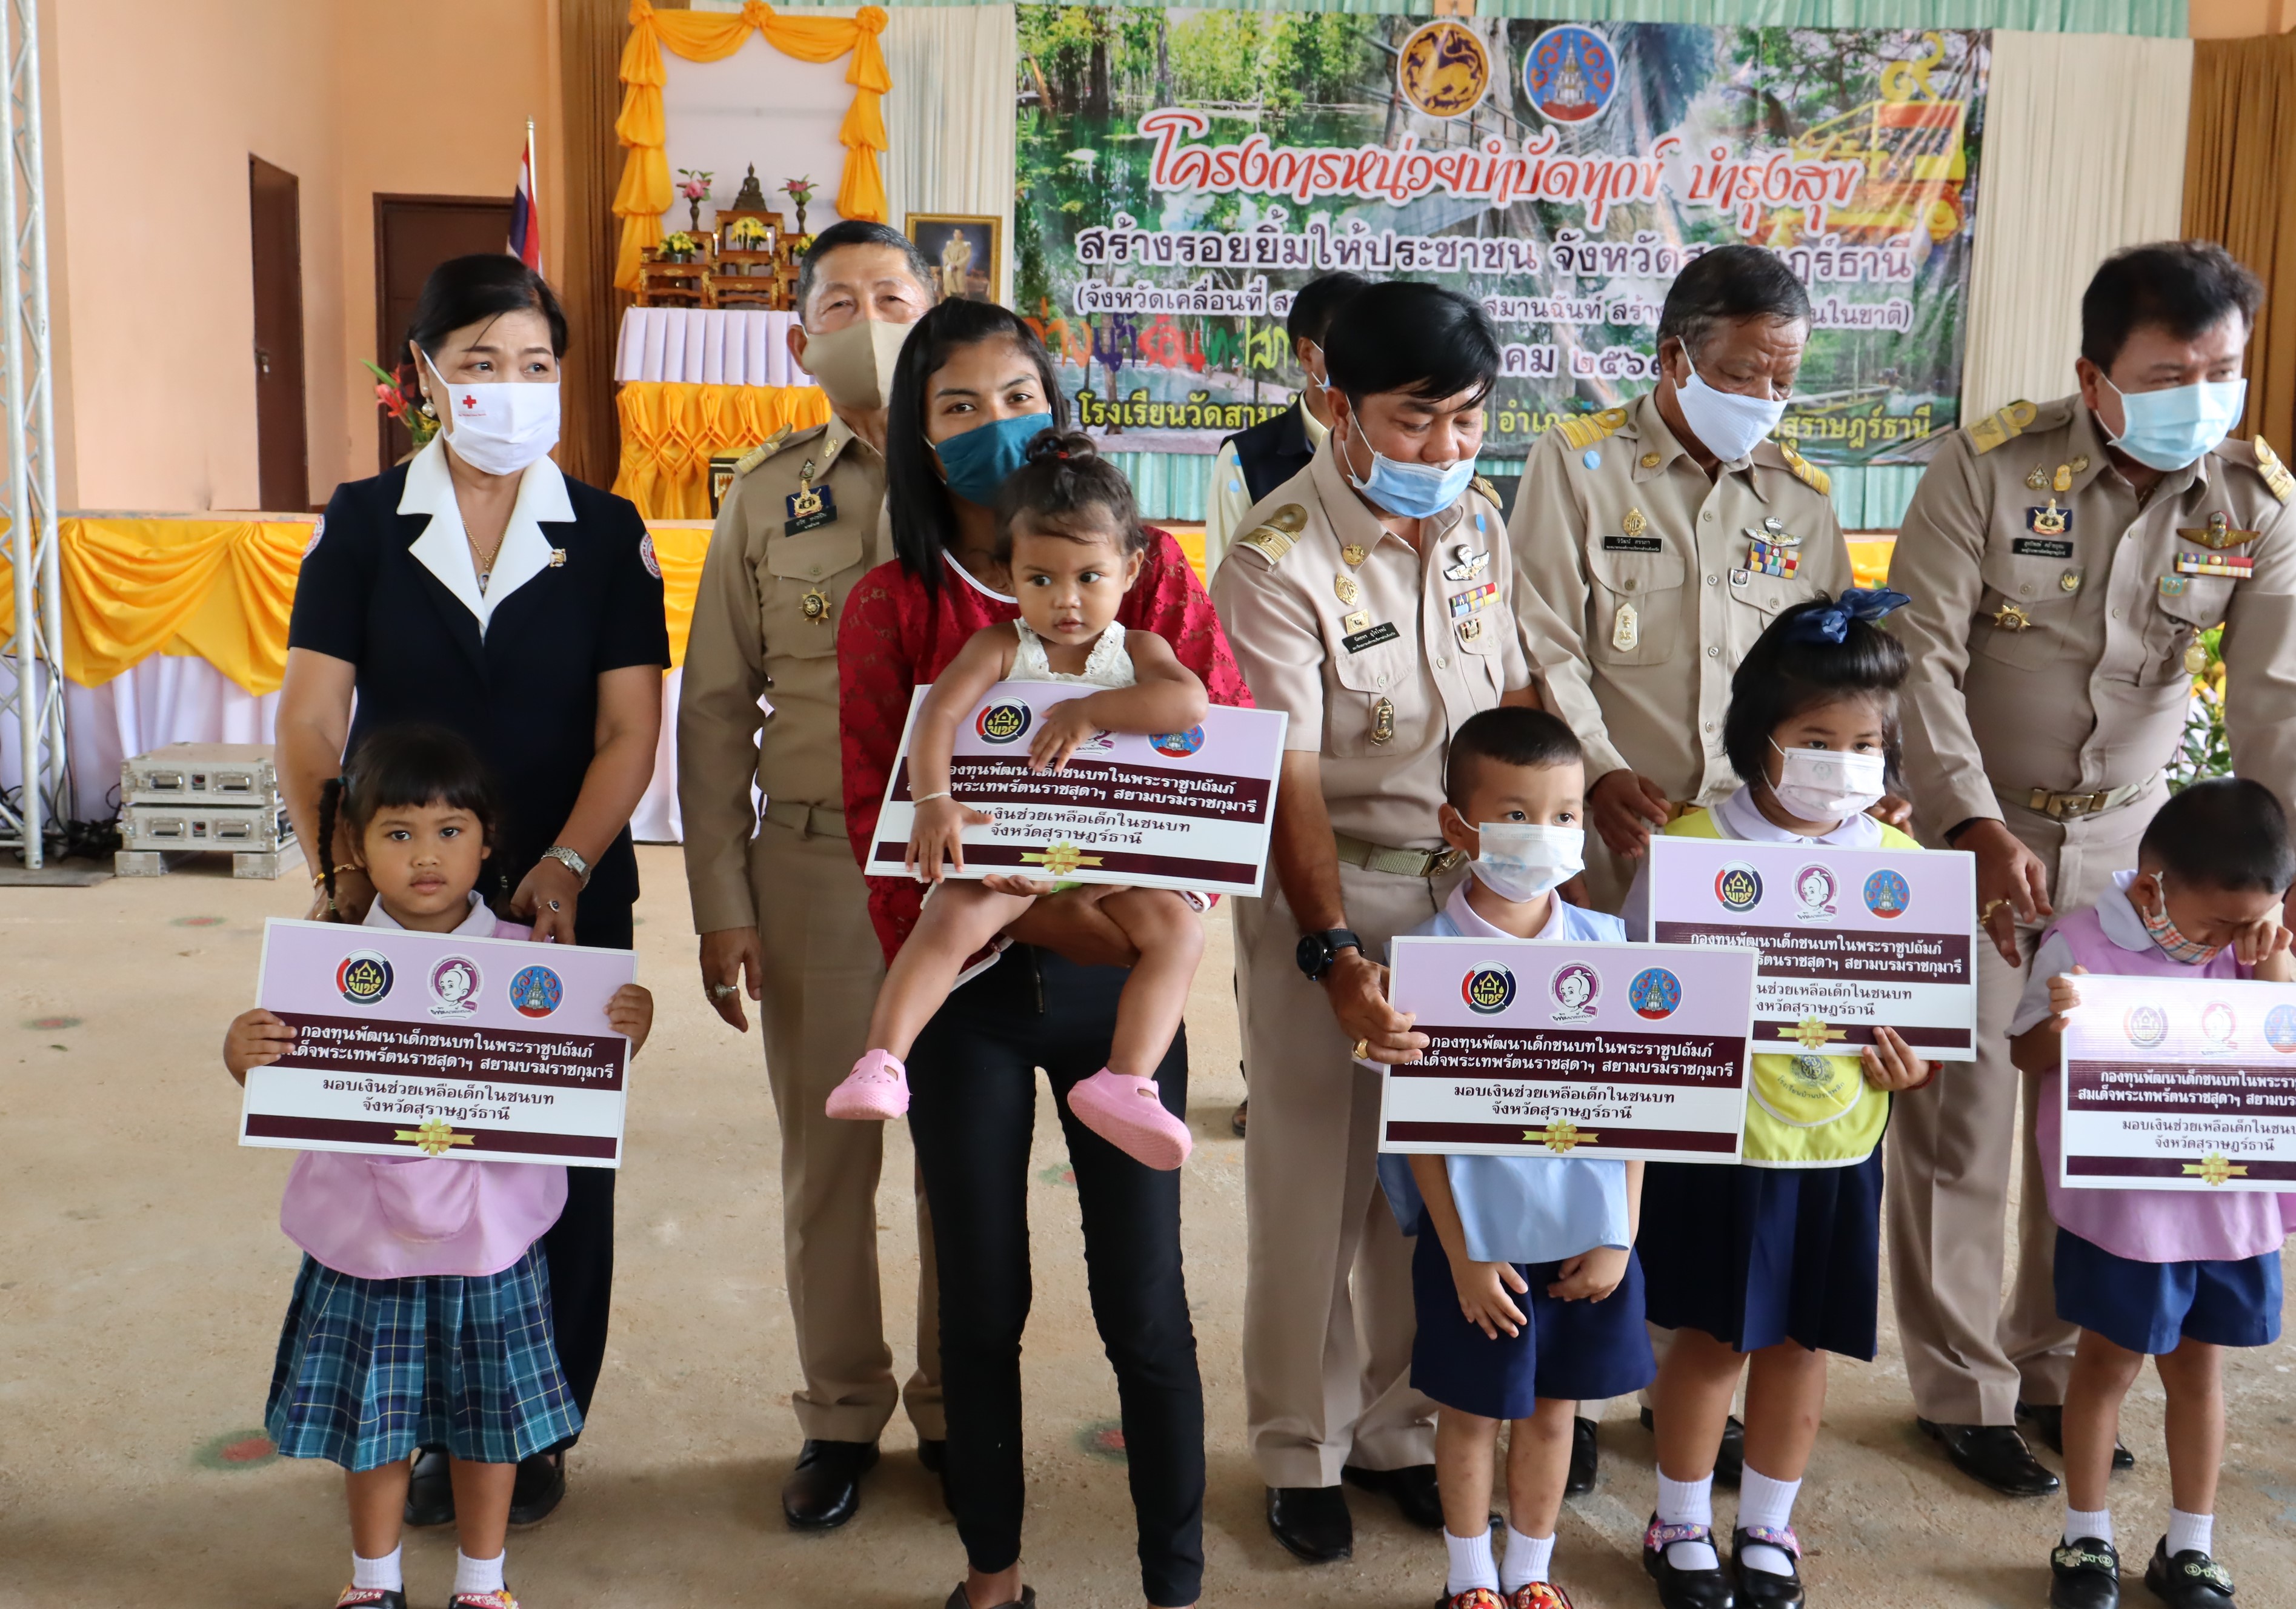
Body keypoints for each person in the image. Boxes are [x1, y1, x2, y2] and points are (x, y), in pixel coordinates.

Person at [840, 297, 1249, 1609]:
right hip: (964, 986)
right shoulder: (898, 604)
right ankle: (993, 1571)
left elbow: (1219, 747)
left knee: (1143, 1298)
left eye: (1017, 394)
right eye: (956, 403)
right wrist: (992, 895)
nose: (992, 424)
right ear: (914, 430)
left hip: (1116, 984)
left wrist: (1090, 915)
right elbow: (877, 812)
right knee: (980, 1291)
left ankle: (1172, 1581)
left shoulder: (1153, 575)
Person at [1886, 239, 2295, 1499]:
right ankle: (1960, 1389)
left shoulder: (2251, 499)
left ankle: (2056, 1359)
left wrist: (2276, 880)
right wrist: (1963, 820)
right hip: (1972, 831)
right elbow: (1919, 654)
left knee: (2102, 1121)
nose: (2202, 392)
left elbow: (2277, 696)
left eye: (2221, 368)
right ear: (2094, 374)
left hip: (2138, 855)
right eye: (2171, 370)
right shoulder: (1990, 464)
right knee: (1963, 1117)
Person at [277, 254, 667, 1528]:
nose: (512, 388)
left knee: (556, 1165)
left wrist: (564, 862)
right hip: (401, 895)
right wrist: (338, 867)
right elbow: (311, 713)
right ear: (424, 380)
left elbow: (628, 729)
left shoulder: (605, 532)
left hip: (563, 893)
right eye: (483, 363)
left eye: (537, 364)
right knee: (411, 1148)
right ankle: (419, 1419)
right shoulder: (360, 519)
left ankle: (536, 1428)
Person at [1211, 279, 1541, 1566]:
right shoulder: (1274, 557)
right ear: (1333, 406)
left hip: (1463, 902)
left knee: (1433, 1183)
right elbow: (1286, 777)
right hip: (1330, 893)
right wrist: (1333, 951)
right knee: (1313, 1180)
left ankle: (1405, 1426)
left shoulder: (1478, 525)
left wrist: (1526, 876)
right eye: (1415, 423)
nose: (1446, 451)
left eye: (1467, 421)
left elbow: (1506, 692)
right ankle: (1301, 1441)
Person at [224, 725, 655, 1609]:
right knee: (374, 1428)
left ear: (489, 841)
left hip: (491, 1242)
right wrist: (241, 1050)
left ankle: (482, 1585)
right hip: (361, 1242)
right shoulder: (323, 966)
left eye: (450, 831)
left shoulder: (534, 963)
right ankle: (373, 1583)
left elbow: (571, 1076)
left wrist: (624, 1031)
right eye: (398, 833)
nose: (427, 856)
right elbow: (275, 1070)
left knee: (490, 1428)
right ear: (353, 845)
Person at [676, 217, 945, 1530]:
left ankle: (957, 1407)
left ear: (944, 308)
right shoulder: (767, 491)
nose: (871, 320)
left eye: (894, 296)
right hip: (816, 868)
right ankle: (841, 1412)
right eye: (842, 303)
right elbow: (716, 707)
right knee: (827, 1160)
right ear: (800, 342)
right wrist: (720, 901)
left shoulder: (1010, 469)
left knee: (966, 1144)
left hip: (982, 870)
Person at [1622, 591, 1934, 1609]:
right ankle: (1675, 1519)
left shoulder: (1899, 866)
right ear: (1759, 733)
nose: (1842, 763)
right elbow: (1638, 990)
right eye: (1815, 738)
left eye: (1864, 744)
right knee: (1712, 1338)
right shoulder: (1692, 843)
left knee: (1801, 1343)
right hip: (1723, 1145)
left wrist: (1911, 1067)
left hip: (1835, 1147)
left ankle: (1765, 1524)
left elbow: (1921, 1031)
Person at [827, 430, 1206, 1172]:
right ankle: (883, 1060)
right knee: (951, 914)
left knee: (1179, 931)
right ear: (1008, 575)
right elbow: (936, 715)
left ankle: (1127, 1080)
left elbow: (1188, 706)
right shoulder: (1000, 646)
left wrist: (1095, 712)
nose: (1066, 601)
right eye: (1040, 580)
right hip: (1012, 847)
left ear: (1131, 568)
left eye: (1089, 577)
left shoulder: (1137, 652)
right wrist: (934, 800)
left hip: (1109, 865)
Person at [1373, 706, 1654, 1609]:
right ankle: (1468, 1583)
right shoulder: (1422, 963)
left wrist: (1622, 1235)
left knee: (1554, 1411)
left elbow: (1640, 1115)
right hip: (1479, 1252)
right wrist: (1462, 1253)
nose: (1548, 834)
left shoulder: (1612, 952)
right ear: (1460, 826)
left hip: (1585, 1243)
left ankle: (1530, 1575)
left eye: (1566, 814)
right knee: (1469, 1415)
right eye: (1519, 814)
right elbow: (1420, 1132)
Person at [2006, 779, 2294, 1609]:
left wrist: (2267, 957)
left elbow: (2277, 1055)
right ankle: (2085, 1536)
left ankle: (2190, 1546)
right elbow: (2026, 1057)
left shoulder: (2257, 954)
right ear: (2149, 890)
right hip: (2126, 1218)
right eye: (2222, 924)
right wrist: (2060, 1026)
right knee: (2103, 1367)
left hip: (2224, 1214)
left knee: (2199, 1377)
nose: (2236, 938)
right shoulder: (2078, 945)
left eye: (2258, 917)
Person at [1507, 243, 1855, 917]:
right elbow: (1542, 644)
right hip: (1618, 827)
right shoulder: (1581, 466)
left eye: (1782, 383)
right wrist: (1597, 773)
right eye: (1743, 376)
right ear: (1674, 359)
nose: (1765, 401)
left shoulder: (1800, 497)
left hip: (1761, 837)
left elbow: (1832, 671)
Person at [1203, 270, 1372, 578]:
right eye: (1349, 344)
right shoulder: (1245, 460)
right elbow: (1224, 587)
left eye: (1374, 345)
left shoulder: (1395, 453)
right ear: (1308, 354)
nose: (1367, 360)